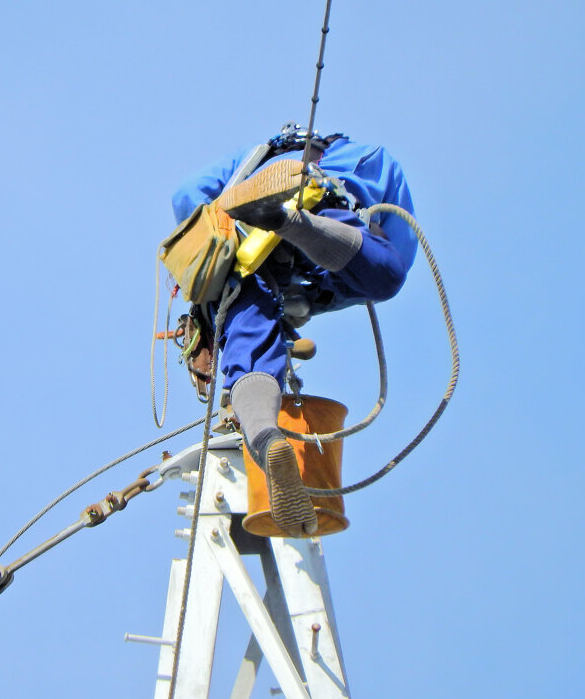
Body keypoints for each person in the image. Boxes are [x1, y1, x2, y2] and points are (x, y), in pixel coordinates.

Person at [171, 125, 417, 537]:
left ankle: (266, 439)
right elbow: (399, 253)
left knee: (248, 344)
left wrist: (210, 238)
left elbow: (186, 194)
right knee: (385, 276)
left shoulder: (251, 154)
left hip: (247, 238)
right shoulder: (371, 156)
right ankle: (288, 220)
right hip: (322, 205)